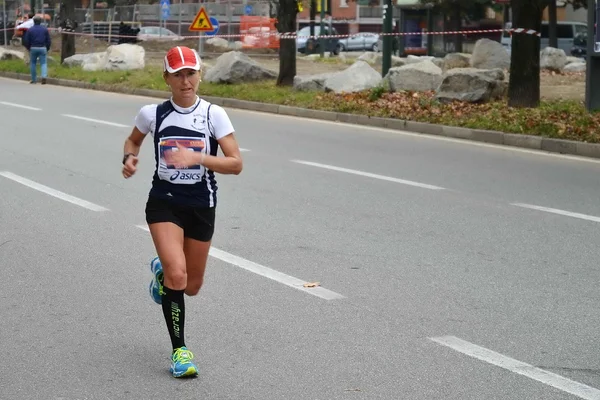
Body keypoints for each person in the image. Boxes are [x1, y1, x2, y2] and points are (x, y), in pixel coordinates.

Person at [121, 45, 243, 378]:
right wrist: (129, 158)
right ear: (167, 79)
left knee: (191, 286)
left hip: (201, 205)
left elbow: (235, 163)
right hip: (165, 201)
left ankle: (162, 273)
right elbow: (133, 141)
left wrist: (200, 158)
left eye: (191, 73)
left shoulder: (213, 115)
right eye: (178, 75)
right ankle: (180, 352)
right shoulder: (153, 114)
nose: (185, 81)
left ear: (200, 75)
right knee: (179, 275)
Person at [22, 16, 50, 84]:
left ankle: (34, 79)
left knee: (33, 63)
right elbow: (48, 40)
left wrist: (29, 48)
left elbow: (26, 40)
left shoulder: (30, 30)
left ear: (34, 21)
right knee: (43, 63)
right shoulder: (44, 30)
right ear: (40, 22)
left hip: (33, 48)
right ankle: (44, 77)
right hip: (42, 48)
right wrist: (47, 47)